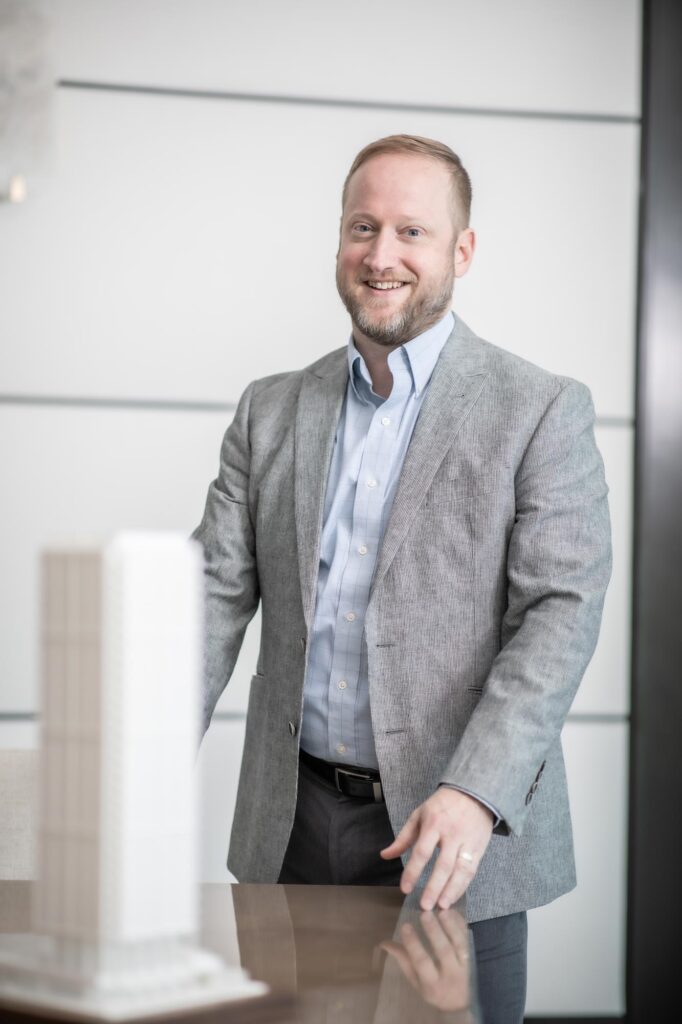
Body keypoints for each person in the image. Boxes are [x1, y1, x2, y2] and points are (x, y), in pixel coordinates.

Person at [192, 134, 612, 1022]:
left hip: (455, 833)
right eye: (363, 227)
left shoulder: (539, 409)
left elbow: (559, 614)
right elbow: (210, 600)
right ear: (339, 241)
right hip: (291, 828)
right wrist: (139, 768)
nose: (382, 255)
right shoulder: (270, 411)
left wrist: (474, 792)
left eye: (412, 231)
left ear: (461, 251)